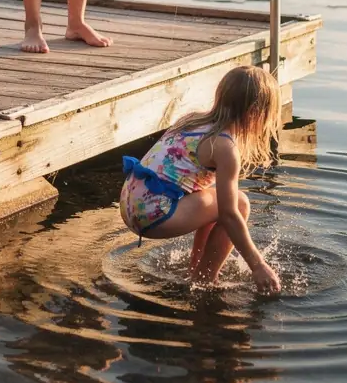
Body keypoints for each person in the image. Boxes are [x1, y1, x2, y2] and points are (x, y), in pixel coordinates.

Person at [119, 65, 283, 293]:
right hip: (153, 215)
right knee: (240, 203)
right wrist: (258, 265)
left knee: (215, 197)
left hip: (130, 204)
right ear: (255, 113)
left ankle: (196, 267)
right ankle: (205, 280)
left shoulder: (192, 119)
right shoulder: (225, 147)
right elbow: (229, 214)